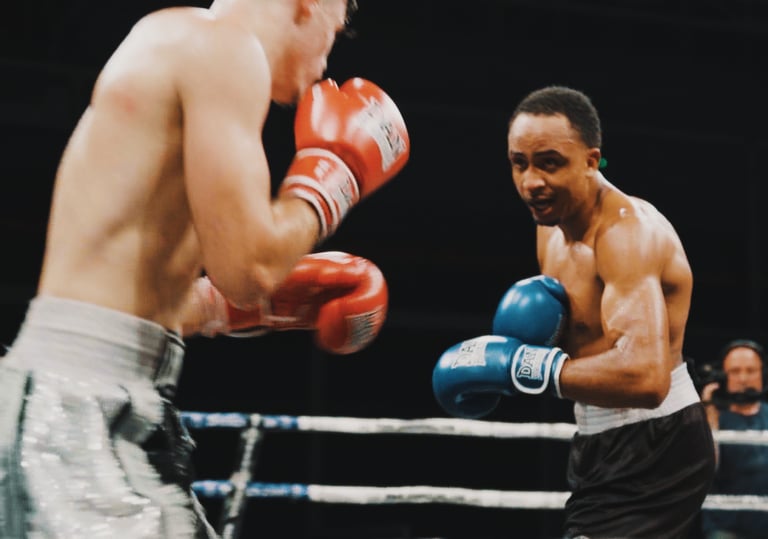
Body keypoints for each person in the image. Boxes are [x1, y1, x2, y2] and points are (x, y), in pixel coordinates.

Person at [0, 0, 411, 537]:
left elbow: (134, 286)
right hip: (74, 410)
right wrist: (336, 177)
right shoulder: (222, 47)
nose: (324, 65)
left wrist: (239, 307)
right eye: (332, 35)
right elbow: (251, 268)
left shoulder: (193, 49)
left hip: (102, 401)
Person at [431, 85, 715, 539]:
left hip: (657, 440)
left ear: (590, 160)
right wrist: (523, 351)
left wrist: (519, 367)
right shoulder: (550, 226)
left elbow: (646, 378)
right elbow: (579, 344)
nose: (531, 182)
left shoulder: (626, 234)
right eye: (519, 163)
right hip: (596, 439)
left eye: (549, 163)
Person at [699, 339, 768, 539]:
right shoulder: (711, 417)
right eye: (735, 371)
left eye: (750, 370)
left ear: (762, 374)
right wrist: (709, 412)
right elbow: (706, 470)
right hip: (724, 526)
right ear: (723, 376)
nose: (743, 378)